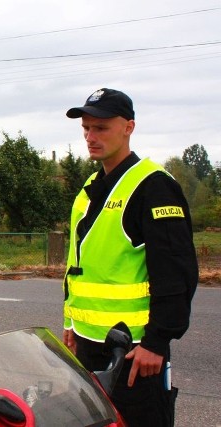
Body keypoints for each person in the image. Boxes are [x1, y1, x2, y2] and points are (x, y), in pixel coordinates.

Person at [62, 88, 198, 427]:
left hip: (136, 352)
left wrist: (157, 341)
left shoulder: (153, 186)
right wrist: (71, 324)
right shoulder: (92, 186)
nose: (91, 137)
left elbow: (176, 273)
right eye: (86, 128)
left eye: (101, 128)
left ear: (129, 127)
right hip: (89, 344)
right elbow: (81, 267)